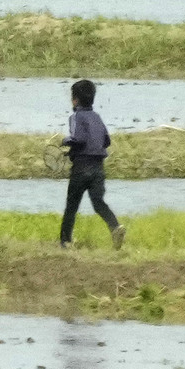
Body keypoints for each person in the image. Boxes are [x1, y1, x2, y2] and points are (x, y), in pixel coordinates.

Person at [59, 79, 126, 250]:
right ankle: (115, 227)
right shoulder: (97, 117)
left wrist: (67, 141)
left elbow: (79, 139)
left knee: (72, 205)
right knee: (98, 202)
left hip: (81, 167)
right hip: (98, 168)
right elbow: (106, 140)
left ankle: (65, 242)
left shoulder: (75, 117)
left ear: (75, 100)